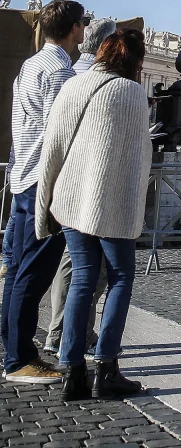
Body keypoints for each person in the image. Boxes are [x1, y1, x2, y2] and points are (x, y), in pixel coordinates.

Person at [35, 30, 152, 400]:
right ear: (136, 61)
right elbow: (139, 160)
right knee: (120, 278)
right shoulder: (132, 92)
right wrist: (136, 214)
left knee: (82, 281)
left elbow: (52, 147)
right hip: (113, 205)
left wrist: (44, 205)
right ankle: (106, 368)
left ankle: (71, 372)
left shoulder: (73, 84)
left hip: (71, 202)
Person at [3, 0, 87, 385]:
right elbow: (62, 133)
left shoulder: (31, 64)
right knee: (35, 272)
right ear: (74, 28)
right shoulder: (60, 71)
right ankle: (19, 358)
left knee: (19, 268)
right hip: (45, 182)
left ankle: (11, 345)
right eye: (82, 23)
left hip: (23, 175)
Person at [42, 18, 117, 357]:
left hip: (68, 185)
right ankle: (68, 335)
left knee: (74, 266)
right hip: (88, 185)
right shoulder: (93, 81)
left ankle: (65, 332)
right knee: (89, 271)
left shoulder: (73, 75)